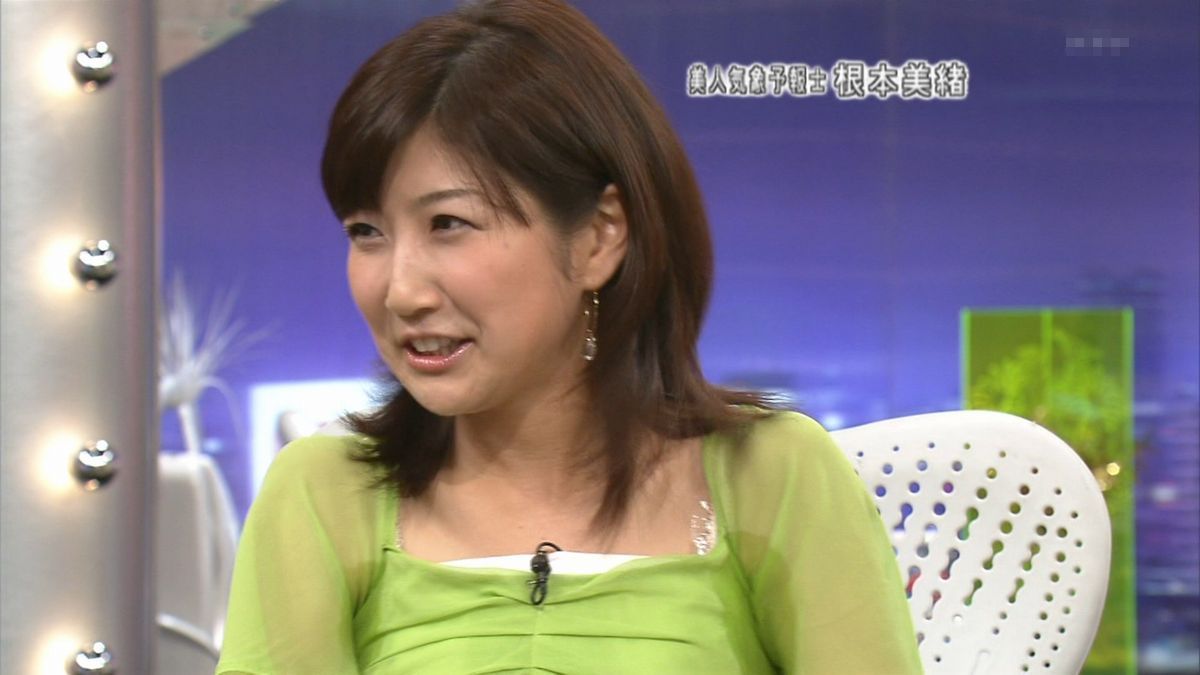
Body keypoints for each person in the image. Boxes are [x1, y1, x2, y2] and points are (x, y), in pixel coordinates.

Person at [216, 1, 922, 672]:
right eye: (367, 231)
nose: (401, 291)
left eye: (449, 224)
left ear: (598, 237)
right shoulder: (321, 492)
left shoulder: (771, 475)